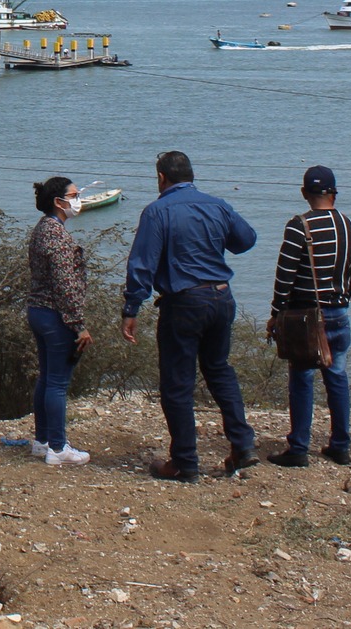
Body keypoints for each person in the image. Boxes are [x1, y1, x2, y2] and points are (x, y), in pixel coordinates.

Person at [121, 150, 260, 481]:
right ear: (191, 175)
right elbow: (246, 240)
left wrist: (131, 308)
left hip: (184, 302)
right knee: (219, 370)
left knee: (177, 382)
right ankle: (243, 446)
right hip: (221, 297)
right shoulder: (218, 205)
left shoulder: (158, 211)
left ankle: (185, 462)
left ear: (161, 178)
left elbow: (142, 263)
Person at [264, 165, 351, 467]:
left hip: (305, 315)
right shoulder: (350, 227)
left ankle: (299, 448)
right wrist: (343, 300)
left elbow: (285, 275)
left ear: (304, 192)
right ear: (334, 192)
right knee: (337, 378)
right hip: (339, 312)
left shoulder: (299, 226)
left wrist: (276, 313)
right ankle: (340, 446)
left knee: (302, 379)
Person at [25, 176, 92, 465]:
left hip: (38, 310)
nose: (78, 200)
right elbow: (66, 284)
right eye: (74, 195)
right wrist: (79, 325)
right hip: (56, 316)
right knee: (57, 383)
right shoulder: (57, 236)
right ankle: (57, 447)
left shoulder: (42, 229)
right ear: (58, 201)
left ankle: (42, 441)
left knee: (46, 378)